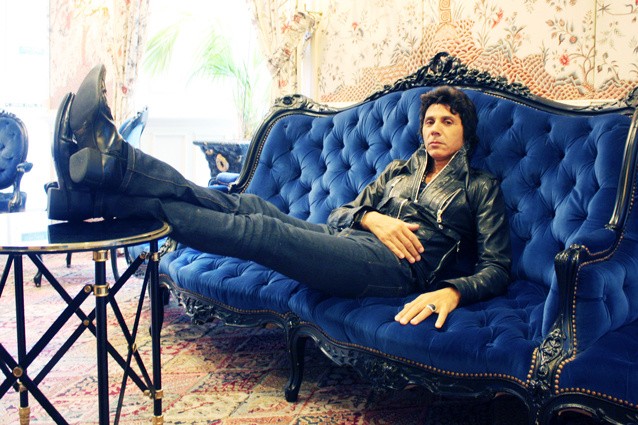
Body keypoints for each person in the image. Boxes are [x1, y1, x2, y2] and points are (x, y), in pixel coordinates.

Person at [48, 65, 511, 329]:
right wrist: (374, 219)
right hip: (351, 242)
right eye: (429, 121)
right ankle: (96, 197)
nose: (434, 129)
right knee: (252, 206)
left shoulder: (479, 187)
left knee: (262, 230)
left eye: (447, 122)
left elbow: (496, 266)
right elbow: (342, 213)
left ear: (465, 133)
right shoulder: (399, 170)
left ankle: (112, 173)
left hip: (395, 271)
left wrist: (452, 290)